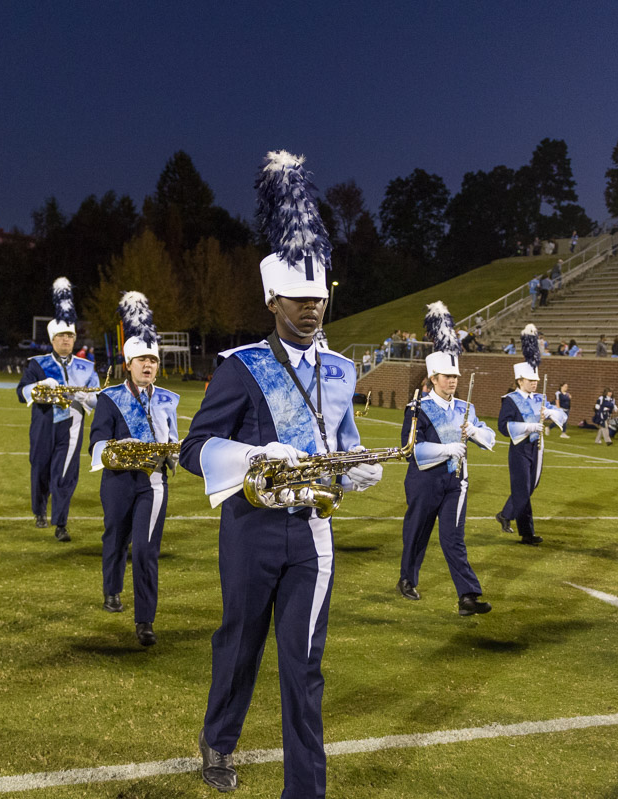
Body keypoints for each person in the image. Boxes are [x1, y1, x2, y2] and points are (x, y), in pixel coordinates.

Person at [183, 151, 382, 797]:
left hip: (314, 535)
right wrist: (254, 457)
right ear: (271, 297)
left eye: (319, 297)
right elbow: (194, 446)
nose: (312, 308)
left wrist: (355, 468)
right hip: (251, 527)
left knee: (305, 668)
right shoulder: (240, 365)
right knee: (240, 643)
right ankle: (219, 741)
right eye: (298, 297)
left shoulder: (343, 370)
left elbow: (341, 438)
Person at [89, 292, 179, 646]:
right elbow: (96, 441)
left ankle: (145, 621)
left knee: (144, 550)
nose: (147, 366)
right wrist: (119, 450)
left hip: (153, 483)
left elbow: (172, 437)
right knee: (115, 537)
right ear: (129, 363)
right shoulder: (110, 398)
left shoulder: (168, 399)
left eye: (152, 361)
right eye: (141, 359)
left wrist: (176, 451)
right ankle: (111, 589)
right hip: (117, 481)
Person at [397, 302, 496, 614]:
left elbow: (489, 438)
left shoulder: (466, 407)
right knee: (417, 532)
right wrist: (446, 449)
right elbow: (411, 449)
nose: (452, 381)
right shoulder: (418, 407)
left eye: (455, 376)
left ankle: (468, 596)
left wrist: (475, 433)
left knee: (453, 538)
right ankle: (406, 579)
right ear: (433, 377)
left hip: (456, 481)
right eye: (446, 376)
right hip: (425, 480)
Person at [16, 278, 99, 542]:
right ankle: (39, 509)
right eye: (62, 336)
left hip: (71, 426)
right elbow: (21, 392)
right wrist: (41, 388)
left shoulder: (87, 367)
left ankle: (61, 523)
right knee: (40, 468)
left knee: (65, 473)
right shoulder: (37, 364)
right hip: (43, 423)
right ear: (52, 339)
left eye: (70, 336)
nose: (66, 340)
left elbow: (98, 398)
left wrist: (83, 397)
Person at [495, 324, 567, 546]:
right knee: (522, 489)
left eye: (535, 380)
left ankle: (511, 519)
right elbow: (503, 426)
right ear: (519, 381)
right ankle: (521, 528)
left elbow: (561, 416)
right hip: (519, 448)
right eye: (530, 381)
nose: (534, 383)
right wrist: (528, 427)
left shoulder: (539, 398)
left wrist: (550, 413)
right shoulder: (510, 399)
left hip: (537, 448)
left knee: (529, 487)